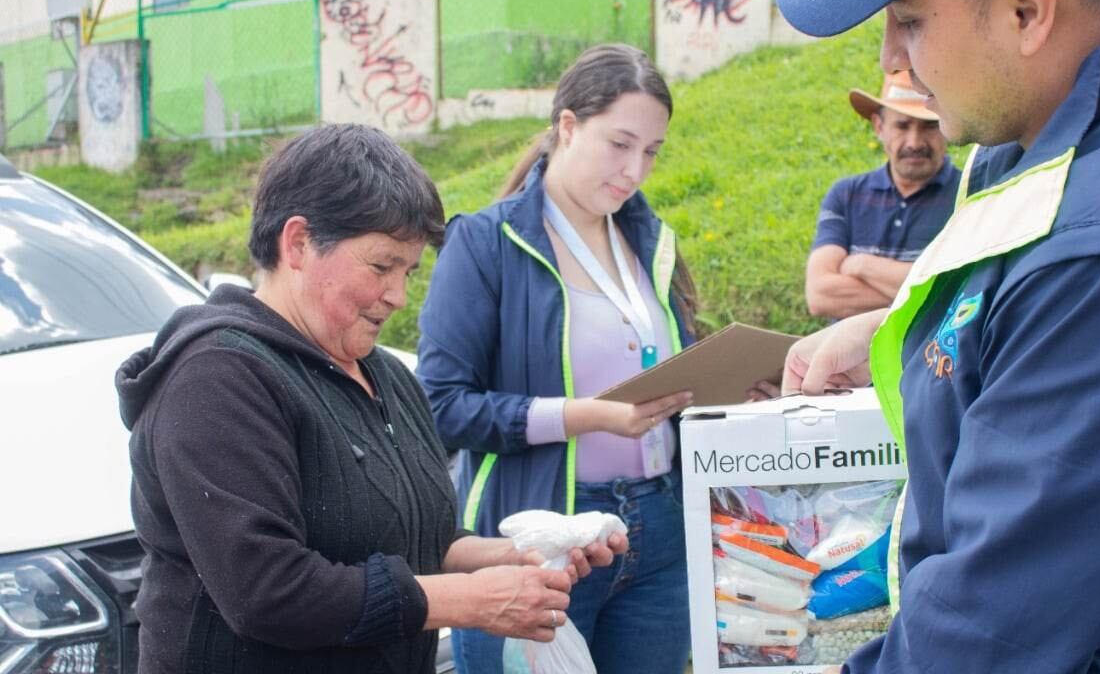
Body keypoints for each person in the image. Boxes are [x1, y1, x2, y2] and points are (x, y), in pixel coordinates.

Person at [776, 0, 1100, 672]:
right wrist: (912, 335)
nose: (891, 59)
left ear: (1026, 11)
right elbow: (1027, 294)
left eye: (909, 21)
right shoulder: (1071, 130)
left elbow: (992, 629)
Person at [115, 124, 626, 674]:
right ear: (298, 244)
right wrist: (469, 602)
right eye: (381, 266)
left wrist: (518, 558)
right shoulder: (217, 378)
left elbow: (413, 539)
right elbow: (266, 591)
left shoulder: (388, 376)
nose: (399, 296)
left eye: (409, 271)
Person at [415, 44, 698, 674]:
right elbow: (439, 406)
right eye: (620, 144)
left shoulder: (649, 241)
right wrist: (584, 416)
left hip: (659, 529)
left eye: (651, 151)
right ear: (568, 126)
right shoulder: (485, 242)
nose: (635, 170)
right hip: (542, 538)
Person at [806, 70, 959, 319]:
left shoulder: (969, 195)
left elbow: (958, 293)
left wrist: (862, 264)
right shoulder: (845, 195)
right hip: (846, 347)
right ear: (879, 126)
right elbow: (820, 296)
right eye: (902, 126)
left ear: (946, 126)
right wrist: (925, 292)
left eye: (929, 126)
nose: (914, 142)